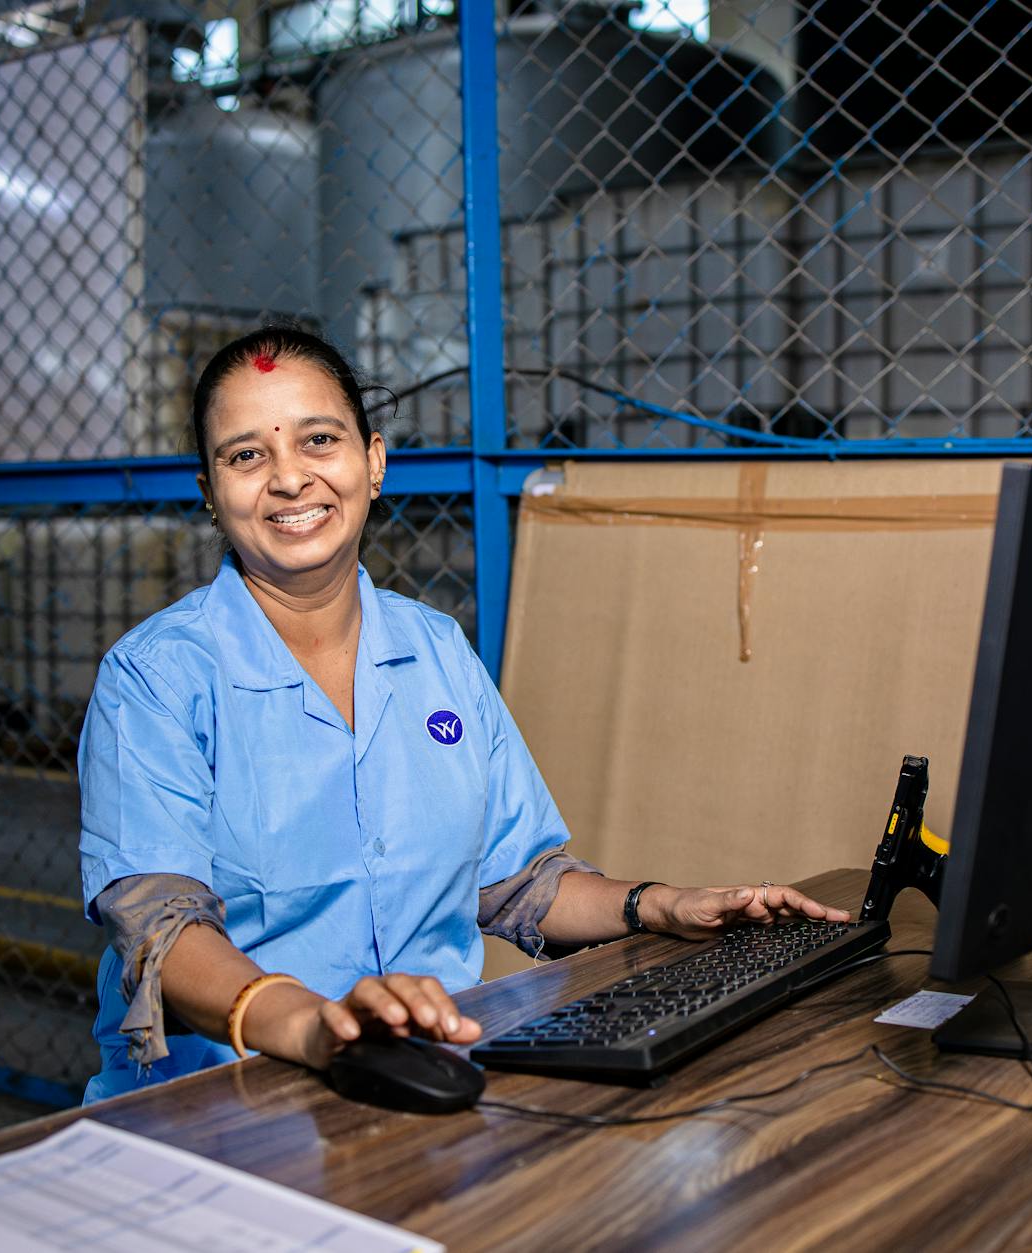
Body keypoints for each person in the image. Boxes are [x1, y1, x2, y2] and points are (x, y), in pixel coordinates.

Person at [77, 325, 850, 1102]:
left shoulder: (437, 651)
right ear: (210, 491)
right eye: (246, 455)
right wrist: (313, 1024)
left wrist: (661, 904)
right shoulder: (155, 679)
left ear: (373, 461)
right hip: (223, 1104)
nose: (289, 478)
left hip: (434, 1077)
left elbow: (516, 881)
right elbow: (160, 927)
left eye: (319, 440)